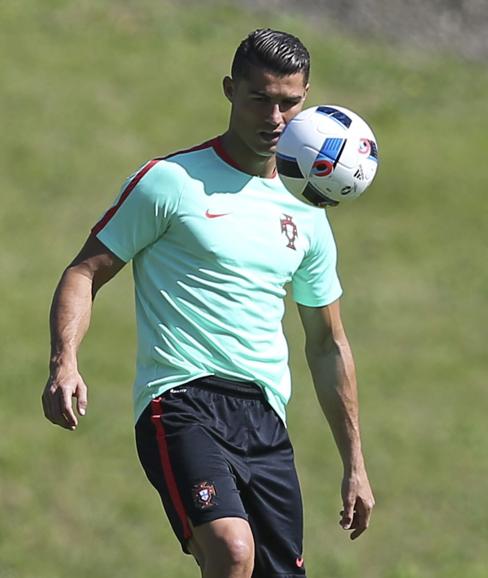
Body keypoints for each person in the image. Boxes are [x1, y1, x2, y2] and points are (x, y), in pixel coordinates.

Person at [42, 28, 374, 578]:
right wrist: (64, 361)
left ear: (307, 98)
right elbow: (83, 272)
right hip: (180, 402)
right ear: (229, 90)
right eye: (259, 98)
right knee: (231, 550)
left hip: (265, 419)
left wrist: (355, 464)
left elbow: (327, 344)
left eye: (289, 103)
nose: (274, 119)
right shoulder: (169, 183)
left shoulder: (310, 216)